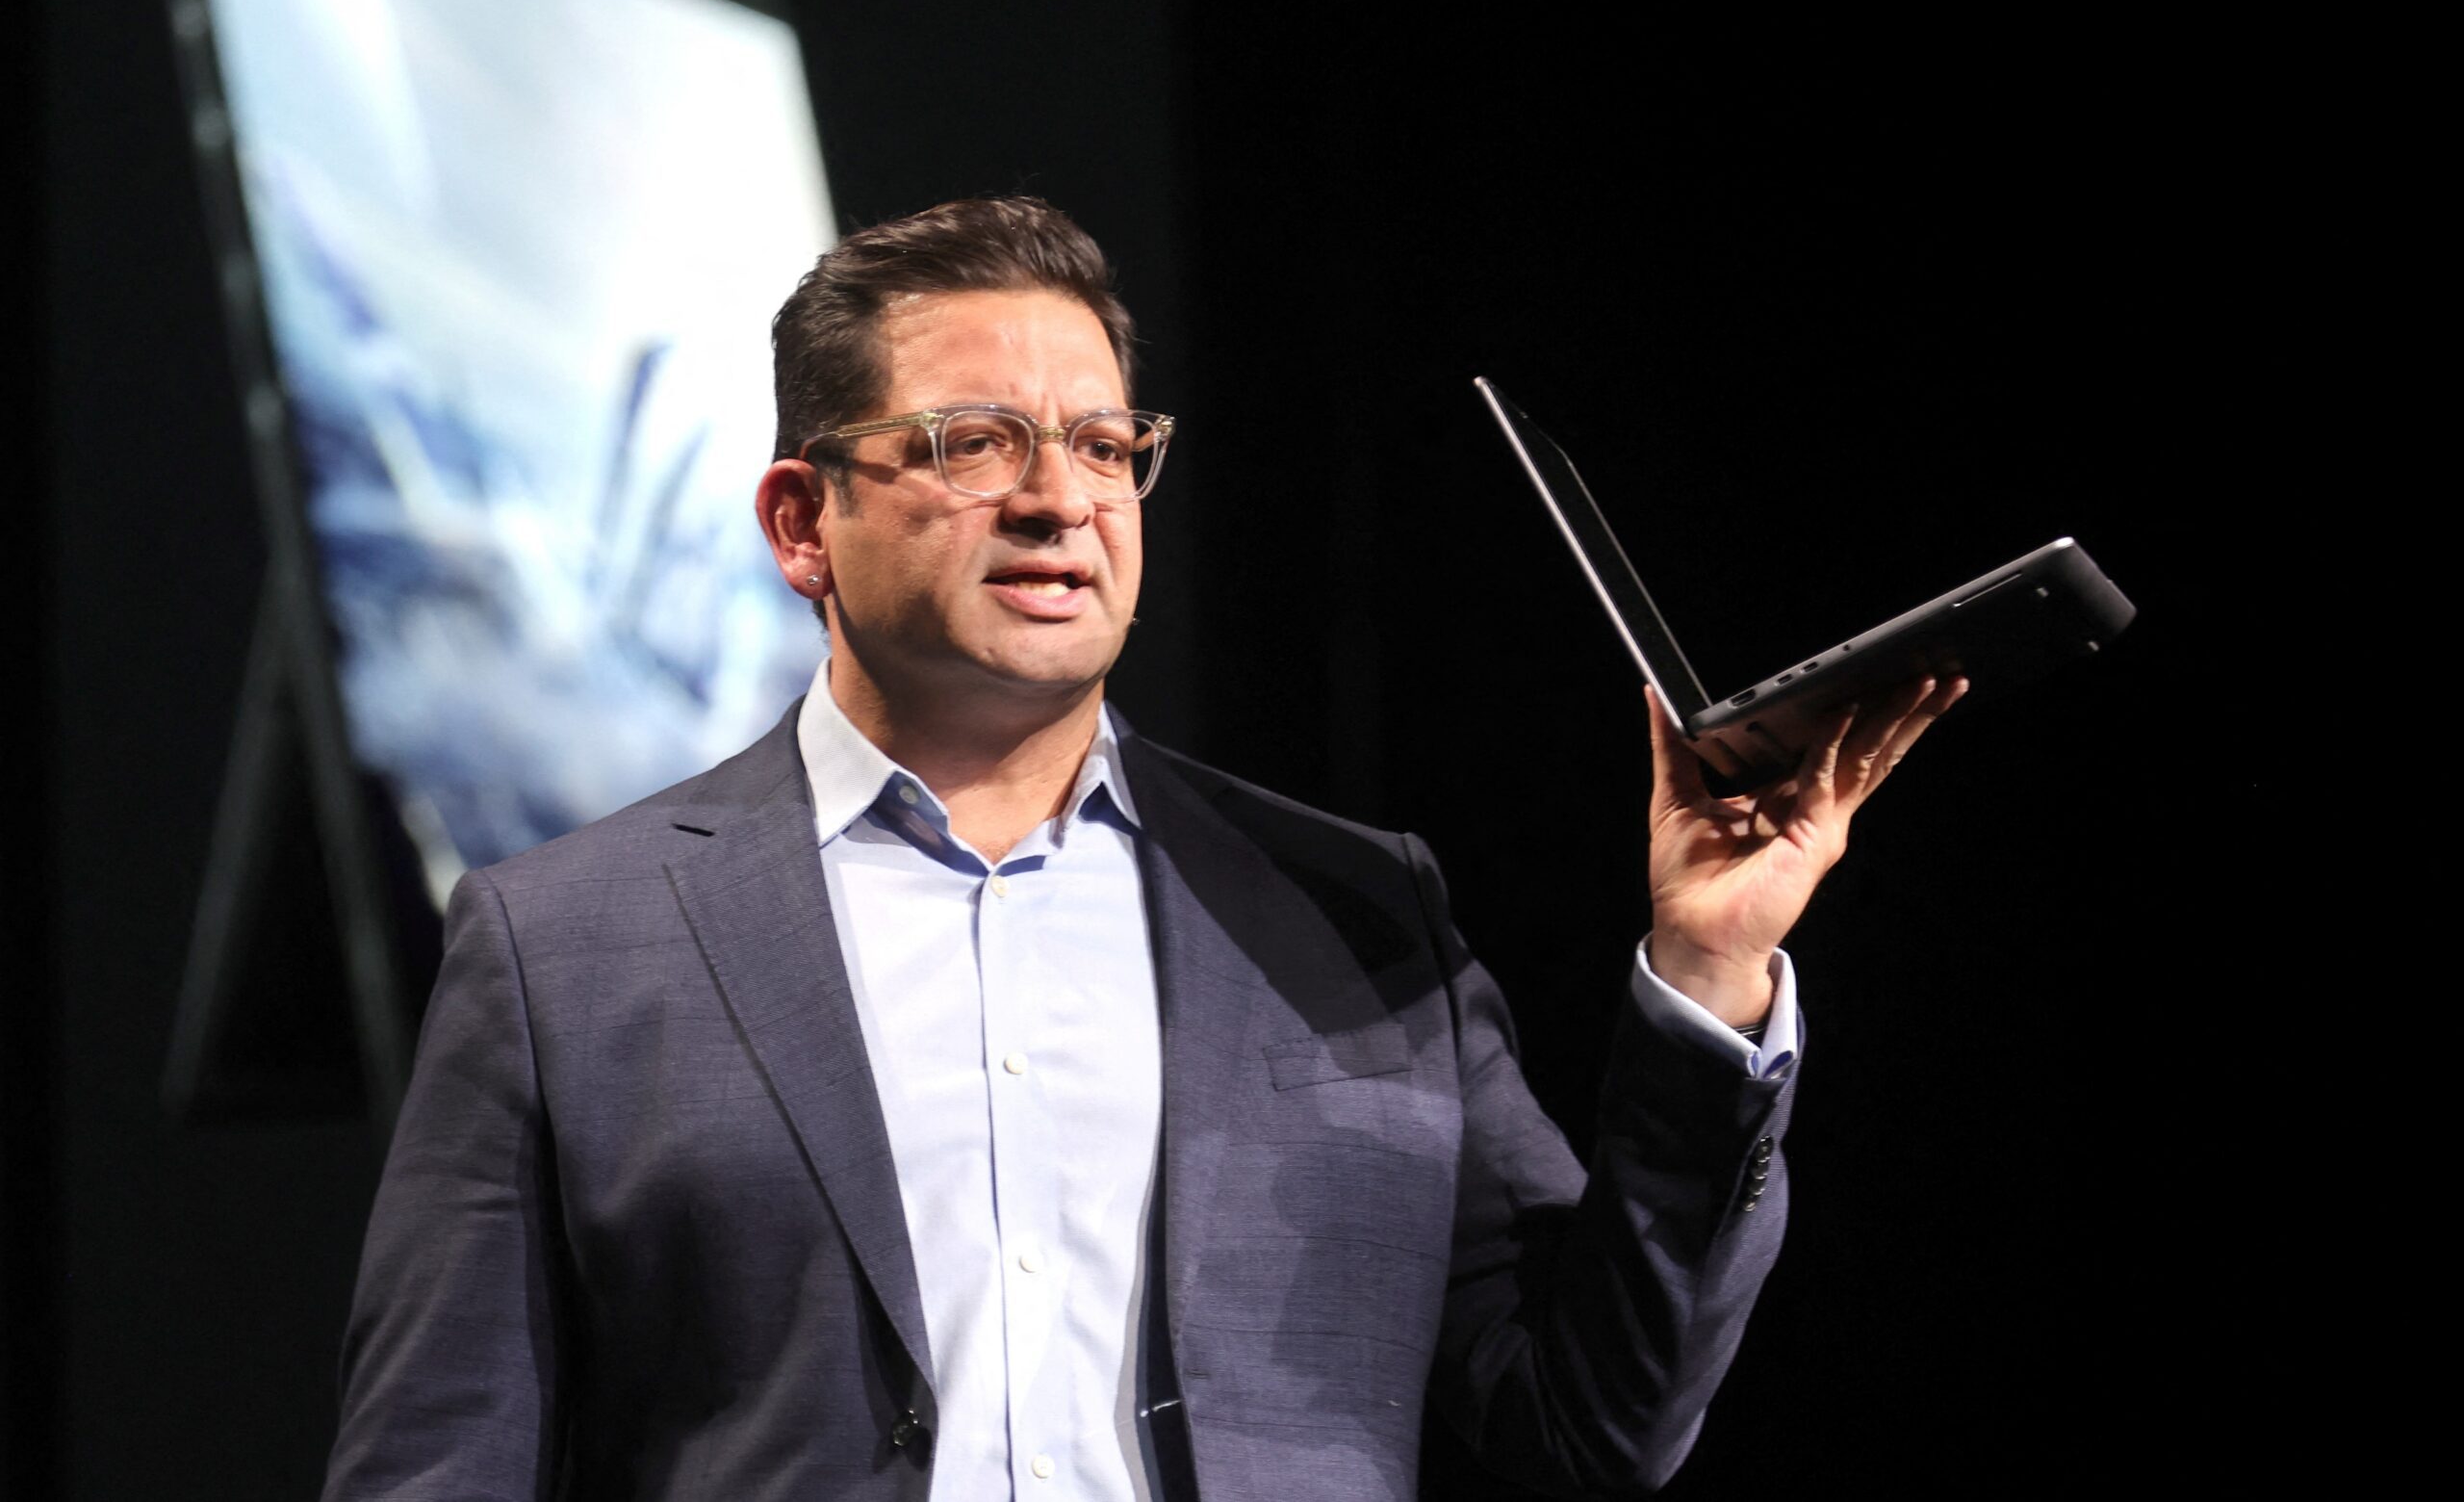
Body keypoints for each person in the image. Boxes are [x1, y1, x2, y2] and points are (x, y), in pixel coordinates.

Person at [322, 197, 1961, 1501]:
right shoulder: (568, 944)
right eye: (976, 443)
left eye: (1106, 446)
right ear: (800, 524)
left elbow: (1596, 1422)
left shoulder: (1349, 907)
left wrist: (1708, 970)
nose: (1063, 499)